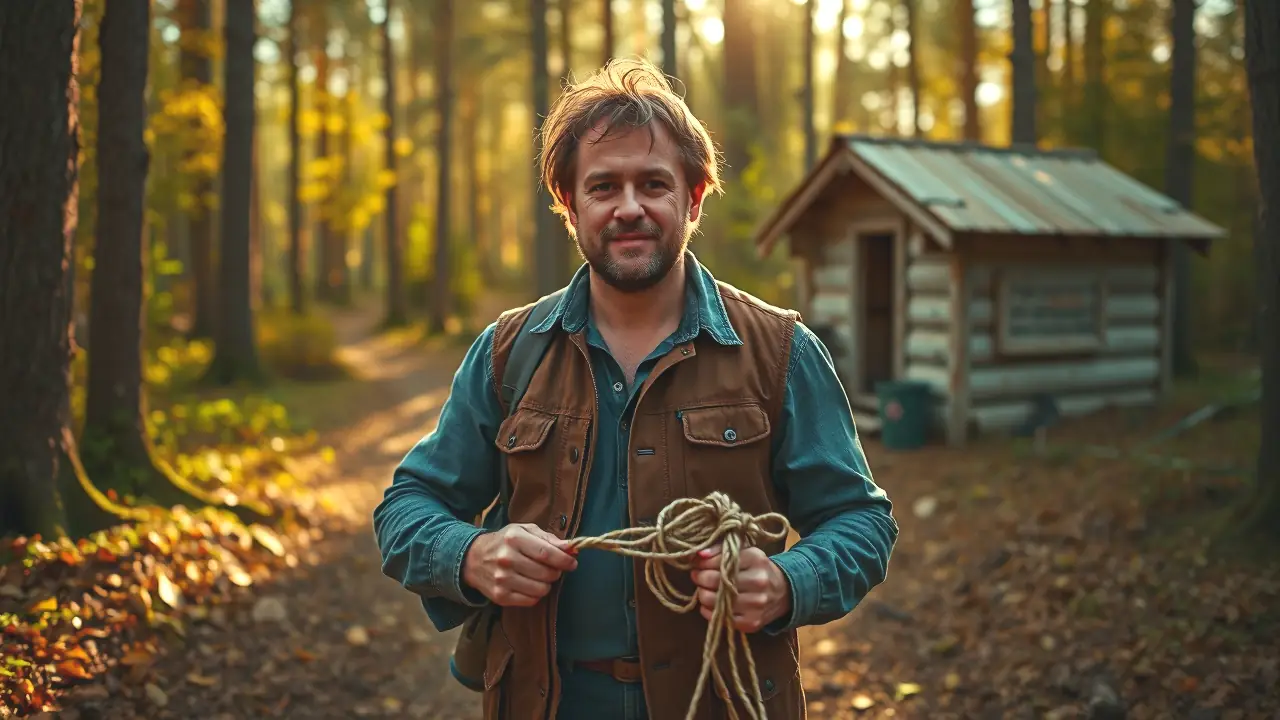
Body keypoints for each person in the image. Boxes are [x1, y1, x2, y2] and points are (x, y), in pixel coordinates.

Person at [372, 57, 898, 720]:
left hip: (722, 703)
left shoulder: (781, 353)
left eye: (653, 183)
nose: (629, 208)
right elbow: (405, 509)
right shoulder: (507, 353)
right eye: (603, 187)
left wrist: (790, 581)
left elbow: (862, 521)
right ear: (570, 205)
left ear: (694, 198)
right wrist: (471, 552)